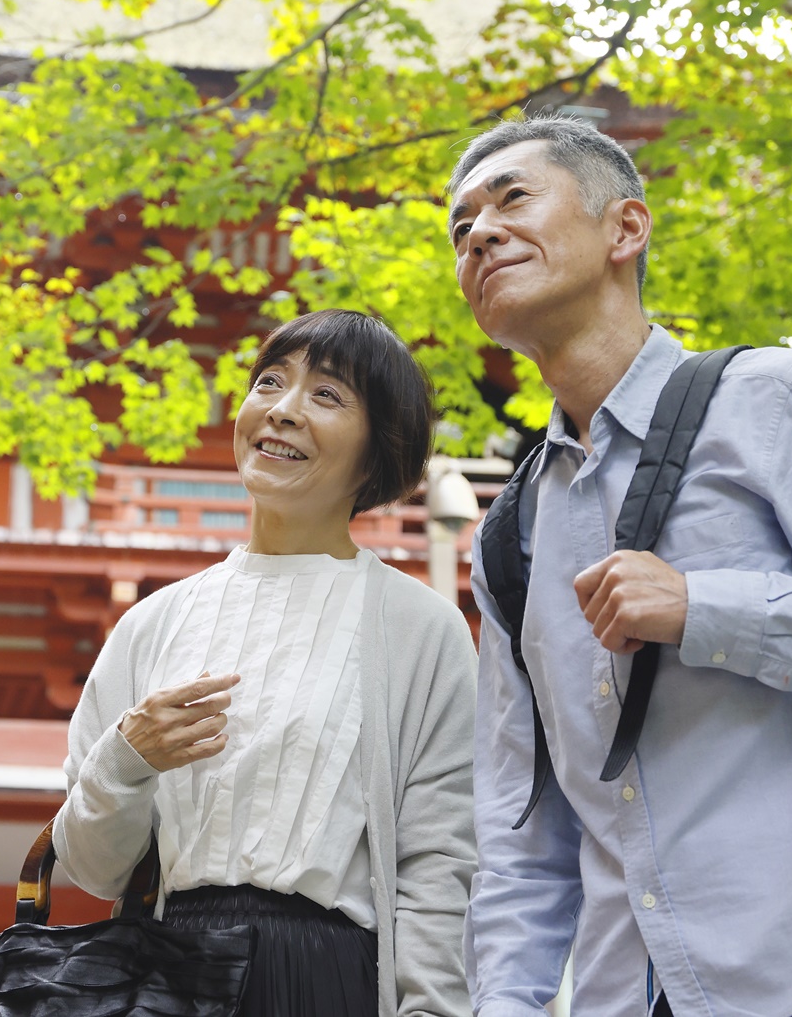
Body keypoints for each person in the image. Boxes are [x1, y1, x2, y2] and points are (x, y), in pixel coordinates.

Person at [450, 116, 792, 1016]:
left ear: (624, 229)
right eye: (461, 227)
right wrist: (506, 1000)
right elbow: (525, 815)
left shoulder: (775, 397)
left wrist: (703, 606)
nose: (480, 231)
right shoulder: (508, 535)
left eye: (512, 197)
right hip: (623, 988)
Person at [54, 308, 477, 1017]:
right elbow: (95, 868)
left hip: (328, 976)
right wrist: (127, 757)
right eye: (270, 382)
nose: (282, 410)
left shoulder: (420, 628)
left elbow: (441, 860)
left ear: (378, 452)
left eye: (326, 394)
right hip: (169, 971)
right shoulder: (153, 623)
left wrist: (431, 1008)